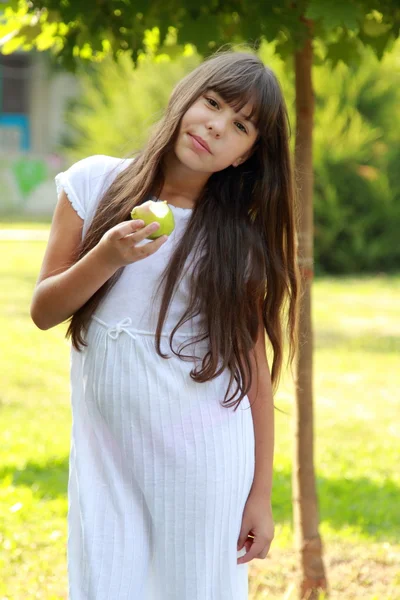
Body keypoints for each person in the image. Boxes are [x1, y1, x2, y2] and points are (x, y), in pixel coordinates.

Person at [30, 49, 299, 600]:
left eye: (240, 125)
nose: (216, 125)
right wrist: (106, 256)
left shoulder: (231, 243)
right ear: (186, 97)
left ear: (246, 156)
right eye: (213, 102)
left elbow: (252, 371)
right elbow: (44, 310)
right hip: (107, 461)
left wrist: (260, 494)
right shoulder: (94, 183)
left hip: (204, 464)